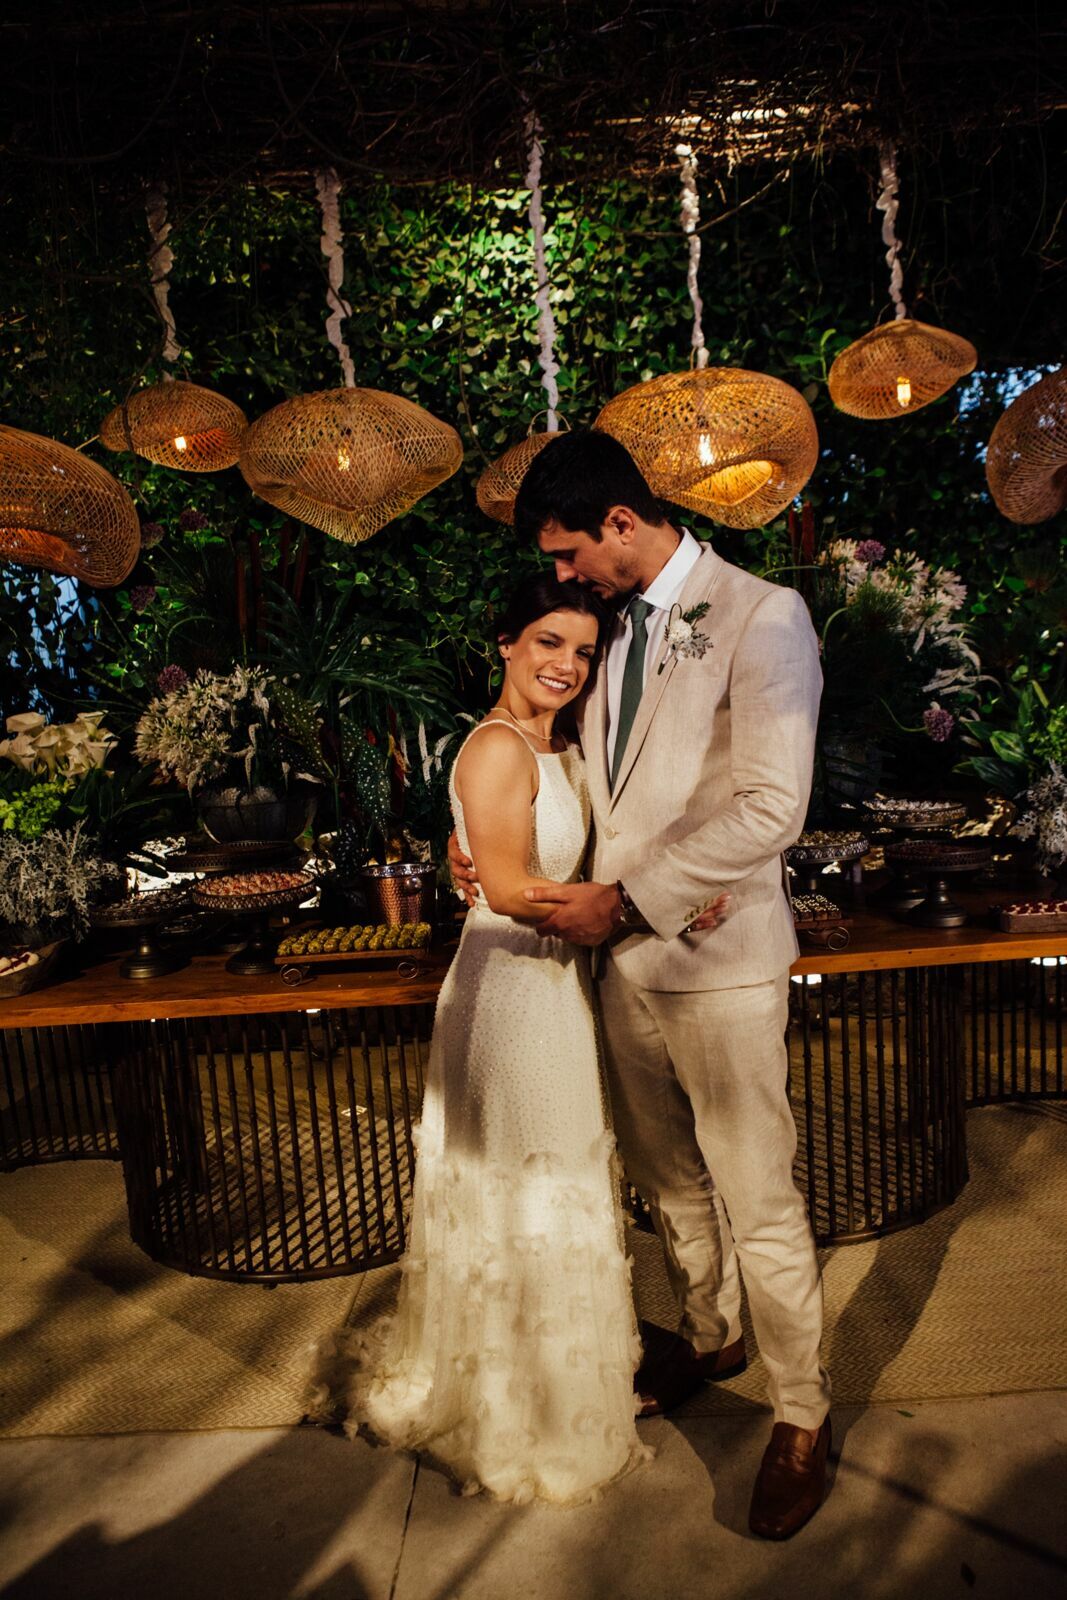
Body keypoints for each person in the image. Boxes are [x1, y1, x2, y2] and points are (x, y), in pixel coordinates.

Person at [450, 430, 832, 1540]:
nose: (564, 575)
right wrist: (477, 846)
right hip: (617, 969)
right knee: (669, 1181)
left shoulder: (763, 616)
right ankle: (712, 1334)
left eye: (570, 553)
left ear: (621, 523)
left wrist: (629, 899)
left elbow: (770, 807)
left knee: (757, 1196)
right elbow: (581, 778)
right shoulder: (609, 627)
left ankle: (801, 1414)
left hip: (716, 963)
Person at [314, 574, 725, 1506]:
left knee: (557, 1177)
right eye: (548, 642)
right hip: (508, 990)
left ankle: (558, 1381)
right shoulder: (496, 746)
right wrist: (649, 908)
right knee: (530, 1179)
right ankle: (519, 1408)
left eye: (582, 652)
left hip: (554, 985)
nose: (566, 666)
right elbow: (504, 889)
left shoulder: (566, 747)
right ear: (505, 642)